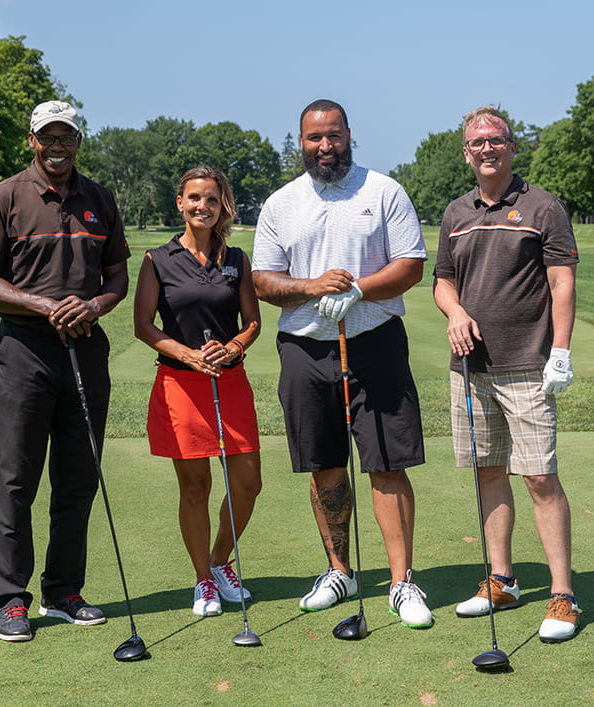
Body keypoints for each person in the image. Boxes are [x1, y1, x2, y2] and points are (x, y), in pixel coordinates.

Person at [252, 99, 433, 629]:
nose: (325, 146)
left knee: (387, 463)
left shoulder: (383, 191)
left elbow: (411, 266)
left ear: (349, 134)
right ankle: (340, 572)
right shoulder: (281, 203)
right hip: (305, 348)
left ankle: (401, 581)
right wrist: (311, 287)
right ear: (301, 142)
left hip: (375, 340)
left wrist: (358, 289)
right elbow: (263, 280)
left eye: (333, 135)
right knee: (325, 464)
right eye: (315, 138)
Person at [0, 100, 130, 642]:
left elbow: (117, 277)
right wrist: (45, 305)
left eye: (67, 137)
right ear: (32, 140)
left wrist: (94, 306)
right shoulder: (5, 196)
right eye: (49, 137)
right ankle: (11, 600)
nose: (58, 146)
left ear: (78, 141)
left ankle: (63, 590)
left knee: (78, 478)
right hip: (24, 353)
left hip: (85, 349)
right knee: (16, 481)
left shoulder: (100, 199)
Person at [432, 106, 581, 643]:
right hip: (470, 368)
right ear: (466, 153)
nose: (487, 149)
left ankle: (563, 595)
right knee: (488, 471)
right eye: (477, 142)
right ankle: (503, 580)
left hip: (526, 365)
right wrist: (455, 313)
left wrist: (560, 352)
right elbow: (443, 282)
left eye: (496, 140)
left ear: (513, 147)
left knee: (539, 477)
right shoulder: (456, 212)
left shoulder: (544, 207)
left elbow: (561, 282)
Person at [134, 166, 262, 617]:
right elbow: (143, 325)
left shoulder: (237, 259)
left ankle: (220, 560)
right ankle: (203, 579)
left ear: (221, 206)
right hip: (181, 386)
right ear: (180, 203)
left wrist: (233, 347)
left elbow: (252, 323)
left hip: (230, 382)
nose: (202, 206)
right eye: (194, 198)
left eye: (211, 199)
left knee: (248, 483)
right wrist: (187, 355)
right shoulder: (157, 259)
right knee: (195, 486)